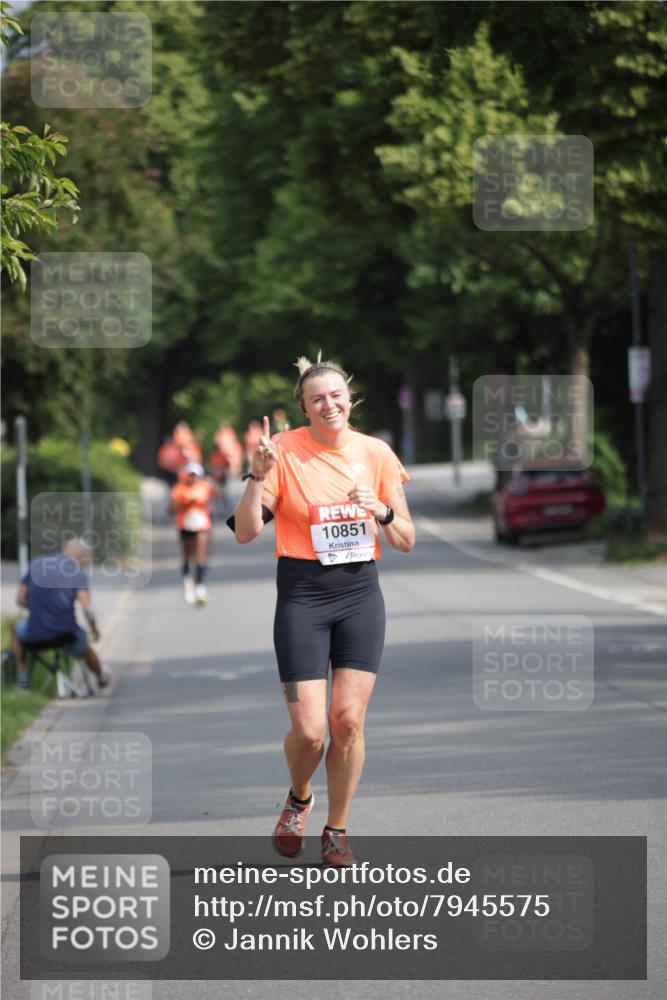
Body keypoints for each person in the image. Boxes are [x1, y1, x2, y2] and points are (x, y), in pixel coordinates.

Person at [232, 354, 415, 865]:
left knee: (348, 722)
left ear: (349, 397)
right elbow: (246, 532)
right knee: (311, 732)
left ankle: (336, 829)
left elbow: (406, 538)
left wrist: (379, 510)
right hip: (302, 596)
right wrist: (255, 475)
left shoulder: (376, 453)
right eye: (317, 398)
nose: (329, 404)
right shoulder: (284, 452)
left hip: (359, 595)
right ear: (304, 407)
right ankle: (299, 796)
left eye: (336, 395)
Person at [11, 538, 111, 690]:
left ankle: (23, 679)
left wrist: (41, 609)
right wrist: (95, 630)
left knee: (15, 626)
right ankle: (101, 677)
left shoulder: (37, 564)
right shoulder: (78, 573)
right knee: (84, 644)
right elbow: (88, 610)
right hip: (66, 637)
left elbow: (20, 599)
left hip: (34, 635)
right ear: (83, 558)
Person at [169, 461, 217, 605]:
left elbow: (214, 498)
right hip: (185, 525)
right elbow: (171, 510)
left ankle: (200, 587)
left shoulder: (205, 487)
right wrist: (186, 504)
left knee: (201, 557)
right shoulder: (179, 489)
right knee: (187, 556)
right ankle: (187, 583)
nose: (193, 477)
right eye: (191, 474)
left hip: (202, 525)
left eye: (196, 475)